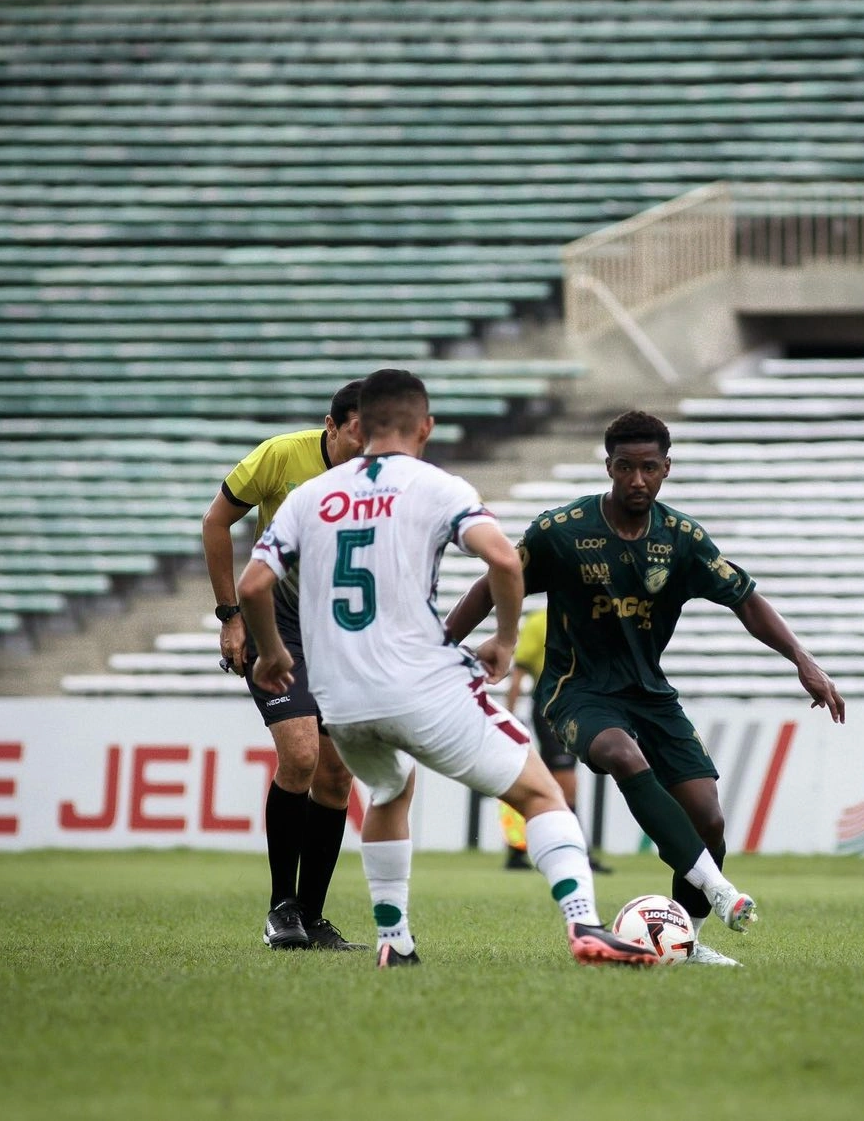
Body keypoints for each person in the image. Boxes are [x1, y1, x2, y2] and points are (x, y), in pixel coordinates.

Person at [236, 369, 656, 969]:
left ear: (360, 427)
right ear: (425, 427)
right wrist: (504, 640)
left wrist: (274, 653)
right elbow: (504, 560)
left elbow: (254, 584)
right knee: (540, 793)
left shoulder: (311, 496)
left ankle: (395, 940)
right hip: (418, 685)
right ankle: (585, 924)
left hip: (342, 699)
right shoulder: (436, 486)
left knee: (389, 789)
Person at [445, 409, 845, 967]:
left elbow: (746, 600)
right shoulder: (562, 531)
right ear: (608, 466)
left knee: (708, 819)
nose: (637, 479)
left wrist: (803, 659)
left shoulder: (681, 539)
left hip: (650, 693)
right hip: (576, 689)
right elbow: (495, 581)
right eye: (626, 467)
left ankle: (690, 941)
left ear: (666, 469)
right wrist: (442, 646)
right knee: (621, 753)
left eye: (649, 468)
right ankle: (720, 889)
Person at [202, 380, 368, 951]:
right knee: (299, 756)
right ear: (331, 425)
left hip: (340, 634)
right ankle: (281, 908)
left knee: (337, 774)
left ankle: (313, 918)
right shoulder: (280, 456)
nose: (367, 444)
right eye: (357, 432)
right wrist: (230, 615)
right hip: (276, 625)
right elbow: (216, 521)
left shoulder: (381, 477)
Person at [498, 607, 613, 875]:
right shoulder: (542, 621)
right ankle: (578, 852)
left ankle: (520, 851)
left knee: (544, 780)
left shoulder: (580, 615)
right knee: (565, 783)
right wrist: (508, 715)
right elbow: (519, 672)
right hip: (551, 707)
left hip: (574, 706)